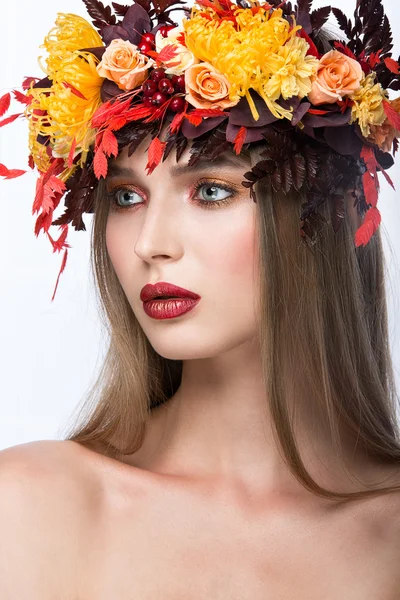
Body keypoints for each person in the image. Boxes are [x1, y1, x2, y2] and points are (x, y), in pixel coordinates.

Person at [1, 0, 400, 596]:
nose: (151, 246)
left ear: (330, 215)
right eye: (127, 198)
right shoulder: (32, 507)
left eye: (211, 190)